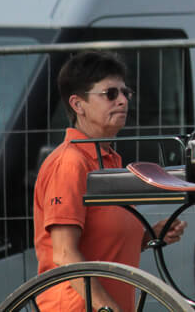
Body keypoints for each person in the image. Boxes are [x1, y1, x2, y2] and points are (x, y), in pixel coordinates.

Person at [33, 51, 186, 312]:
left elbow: (103, 244)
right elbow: (64, 253)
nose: (123, 100)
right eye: (110, 94)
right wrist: (108, 308)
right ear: (78, 104)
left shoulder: (109, 160)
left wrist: (149, 236)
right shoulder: (70, 162)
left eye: (125, 92)